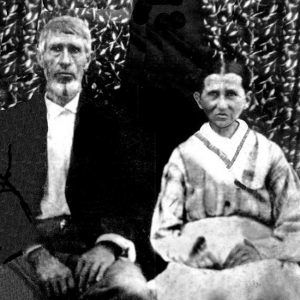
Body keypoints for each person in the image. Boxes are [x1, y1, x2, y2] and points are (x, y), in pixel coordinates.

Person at [0, 15, 151, 300]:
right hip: (25, 248)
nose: (65, 60)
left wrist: (108, 245)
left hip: (93, 245)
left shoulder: (114, 124)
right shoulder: (11, 124)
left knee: (132, 290)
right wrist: (35, 254)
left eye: (75, 50)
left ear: (88, 59)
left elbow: (136, 197)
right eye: (56, 49)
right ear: (39, 58)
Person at [149, 58, 300, 300]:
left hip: (260, 266)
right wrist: (189, 253)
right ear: (199, 100)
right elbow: (162, 231)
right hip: (199, 268)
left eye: (231, 94)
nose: (221, 105)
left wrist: (261, 251)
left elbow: (295, 222)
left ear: (247, 99)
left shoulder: (269, 153)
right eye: (212, 95)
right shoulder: (184, 155)